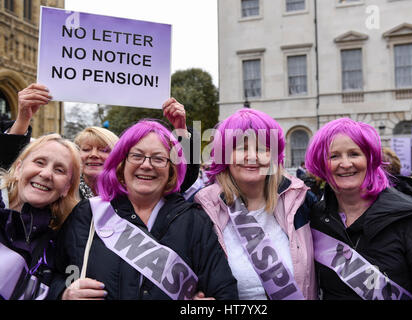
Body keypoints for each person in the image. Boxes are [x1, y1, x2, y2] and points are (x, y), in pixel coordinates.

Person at [48, 119, 238, 300]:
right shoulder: (87, 213)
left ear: (172, 168)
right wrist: (63, 293)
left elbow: (223, 291)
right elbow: (52, 274)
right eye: (136, 156)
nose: (146, 165)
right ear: (121, 164)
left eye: (158, 158)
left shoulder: (194, 220)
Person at [305, 117, 412, 300]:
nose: (346, 163)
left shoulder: (408, 218)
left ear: (370, 159)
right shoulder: (316, 218)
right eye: (334, 156)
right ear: (321, 164)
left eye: (354, 154)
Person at [194, 108, 317, 300]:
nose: (252, 156)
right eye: (241, 148)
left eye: (262, 149)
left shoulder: (302, 202)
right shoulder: (203, 210)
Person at [0, 83, 81, 300]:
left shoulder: (61, 243)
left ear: (67, 188)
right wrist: (22, 119)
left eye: (60, 170)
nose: (46, 174)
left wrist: (182, 138)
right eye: (39, 162)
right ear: (18, 169)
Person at [74, 127, 119, 199]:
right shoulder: (65, 191)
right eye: (86, 149)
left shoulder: (127, 193)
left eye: (103, 150)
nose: (93, 154)